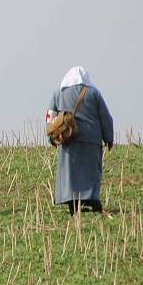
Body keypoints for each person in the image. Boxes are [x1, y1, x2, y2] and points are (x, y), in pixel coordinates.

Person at [48, 66, 113, 215]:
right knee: (91, 171)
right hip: (91, 141)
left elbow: (50, 117)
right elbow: (106, 117)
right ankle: (91, 199)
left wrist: (51, 138)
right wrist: (108, 137)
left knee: (70, 173)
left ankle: (72, 201)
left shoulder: (58, 93)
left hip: (68, 140)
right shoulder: (94, 93)